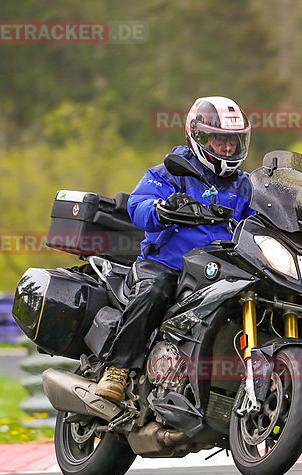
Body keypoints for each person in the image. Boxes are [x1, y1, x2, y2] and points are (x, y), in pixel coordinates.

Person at [96, 96, 255, 402]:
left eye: (233, 142)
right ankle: (117, 369)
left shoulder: (245, 185)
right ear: (198, 137)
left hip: (221, 268)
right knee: (154, 291)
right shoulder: (171, 171)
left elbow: (260, 221)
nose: (226, 148)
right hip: (169, 265)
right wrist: (161, 208)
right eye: (219, 139)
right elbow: (137, 205)